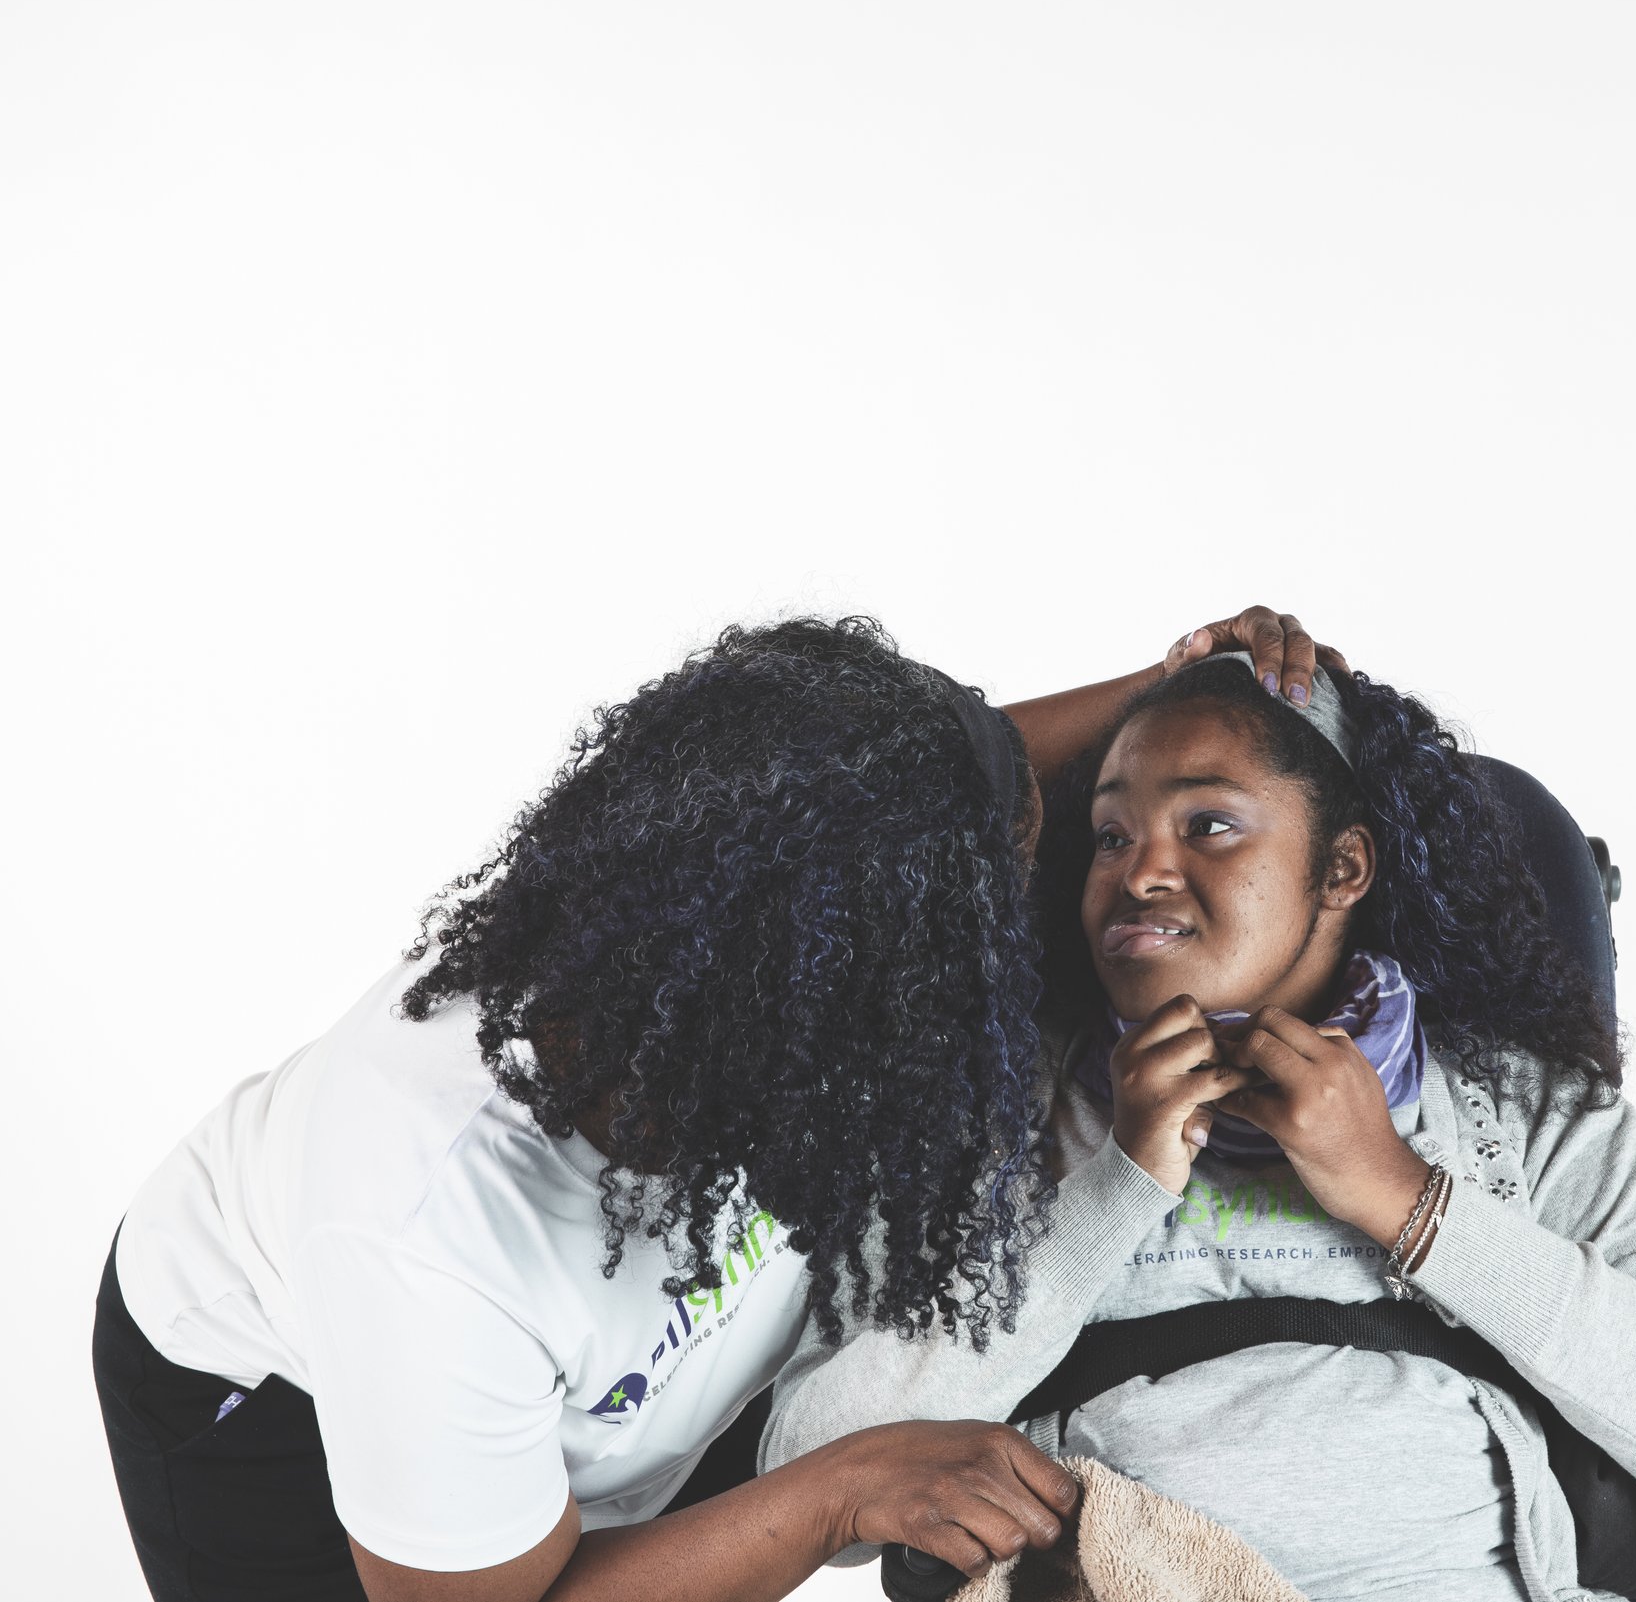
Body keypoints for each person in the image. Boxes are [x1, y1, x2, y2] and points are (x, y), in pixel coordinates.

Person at [94, 606, 1334, 1602]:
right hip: (280, 1426)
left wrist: (1175, 683)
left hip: (603, 1381)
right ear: (818, 1008)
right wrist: (834, 1496)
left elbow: (926, 786)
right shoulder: (430, 1229)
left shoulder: (754, 883)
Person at [761, 654, 1636, 1602]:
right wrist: (1118, 1184)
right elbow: (817, 1478)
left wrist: (1405, 1199)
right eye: (1110, 835)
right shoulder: (995, 1111)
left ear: (1343, 869)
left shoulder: (1522, 1112)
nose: (1140, 872)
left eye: (1207, 825)